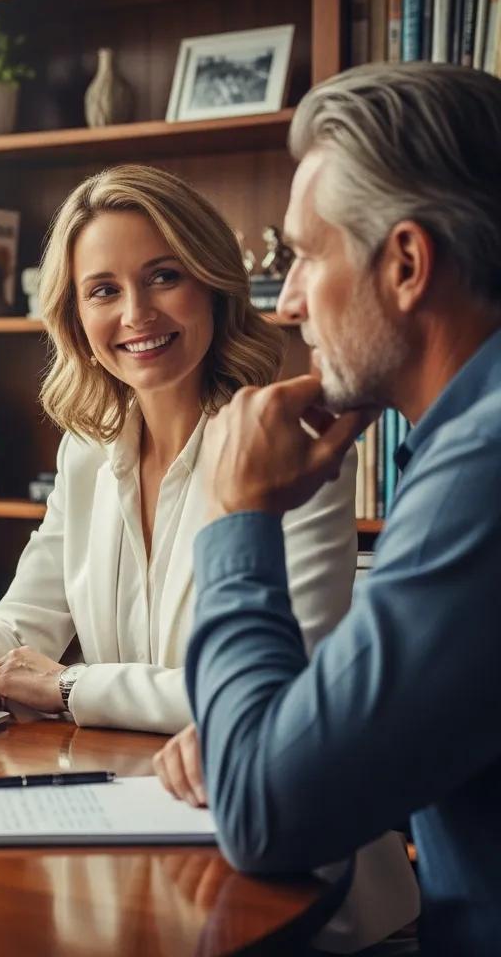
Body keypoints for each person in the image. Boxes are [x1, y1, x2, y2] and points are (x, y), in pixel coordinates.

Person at [0, 164, 417, 951]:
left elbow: (281, 704)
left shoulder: (289, 447)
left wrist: (73, 686)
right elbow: (21, 645)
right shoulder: (90, 452)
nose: (136, 313)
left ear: (213, 285)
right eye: (103, 290)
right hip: (142, 846)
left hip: (302, 891)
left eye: (163, 277)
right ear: (76, 316)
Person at [172, 63, 501, 955]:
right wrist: (276, 735)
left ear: (405, 264)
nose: (285, 302)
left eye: (309, 255)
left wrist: (238, 513)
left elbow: (263, 813)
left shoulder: (483, 468)